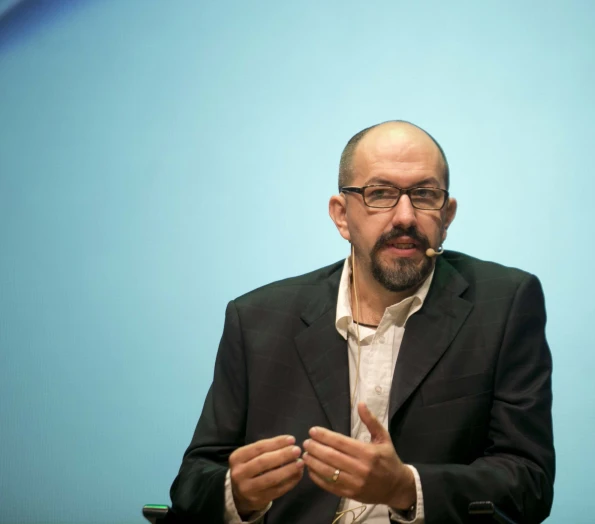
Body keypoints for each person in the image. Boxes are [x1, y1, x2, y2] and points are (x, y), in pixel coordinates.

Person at [169, 121, 555, 523]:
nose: (405, 216)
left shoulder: (504, 304)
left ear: (447, 215)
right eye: (380, 194)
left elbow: (529, 481)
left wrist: (407, 488)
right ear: (342, 215)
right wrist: (237, 493)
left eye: (425, 195)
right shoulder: (257, 319)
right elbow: (193, 481)